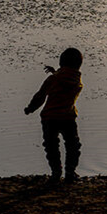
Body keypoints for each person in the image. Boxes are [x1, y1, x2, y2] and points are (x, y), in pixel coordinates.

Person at [25, 48, 84, 184]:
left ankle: (56, 173)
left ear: (61, 63)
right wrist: (56, 72)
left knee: (51, 146)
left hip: (49, 118)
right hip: (68, 118)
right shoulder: (77, 81)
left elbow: (40, 96)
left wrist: (30, 108)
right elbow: (66, 80)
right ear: (78, 65)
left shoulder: (53, 79)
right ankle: (70, 172)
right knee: (72, 146)